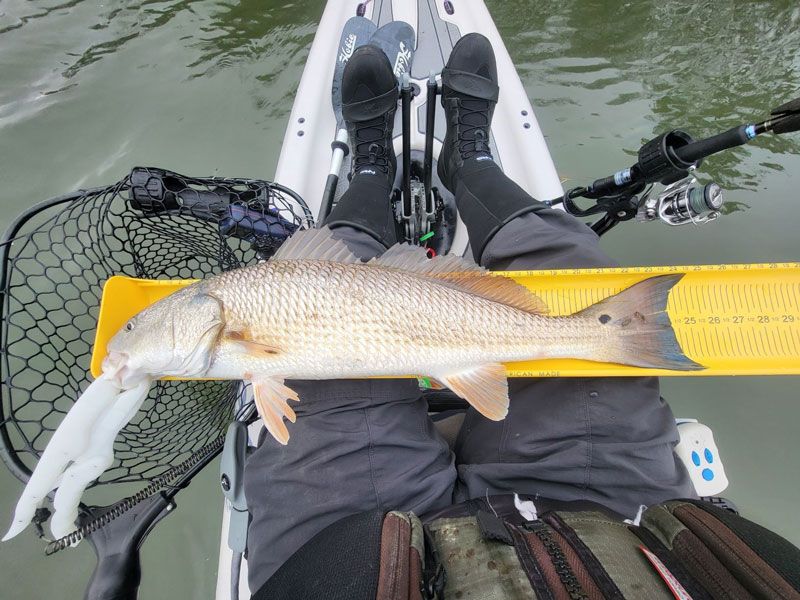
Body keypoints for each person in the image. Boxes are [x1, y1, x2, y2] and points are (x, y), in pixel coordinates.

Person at [243, 33, 695, 592]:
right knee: (568, 259)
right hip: (603, 523)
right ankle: (471, 165)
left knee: (324, 271)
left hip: (344, 549)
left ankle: (373, 173)